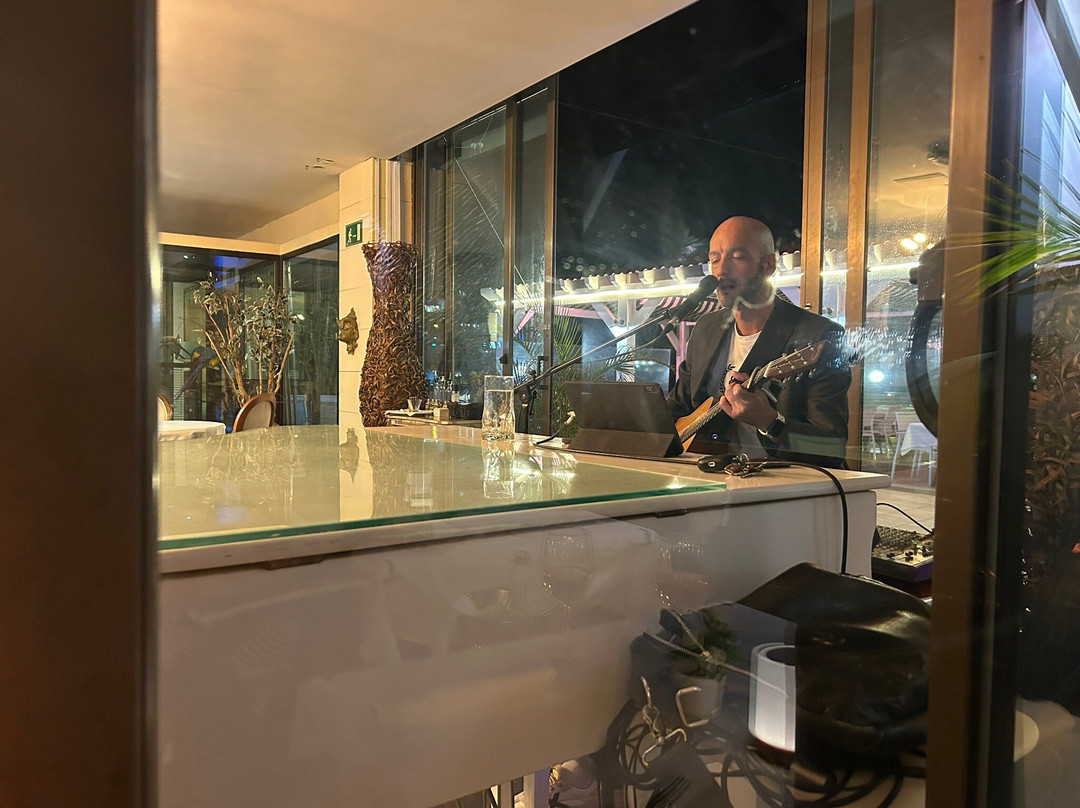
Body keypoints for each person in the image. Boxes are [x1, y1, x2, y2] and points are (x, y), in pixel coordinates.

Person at [667, 216, 850, 467]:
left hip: (788, 485)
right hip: (709, 477)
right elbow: (677, 407)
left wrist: (770, 422)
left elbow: (832, 448)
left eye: (737, 257)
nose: (721, 271)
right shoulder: (706, 329)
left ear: (768, 264)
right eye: (715, 259)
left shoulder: (818, 335)